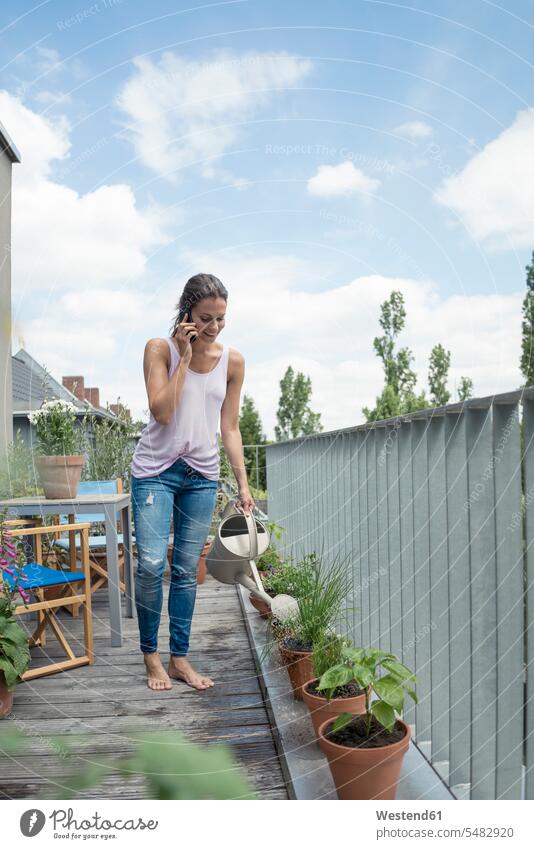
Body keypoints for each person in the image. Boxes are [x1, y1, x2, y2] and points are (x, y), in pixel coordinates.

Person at [130, 273, 255, 692]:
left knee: (185, 570)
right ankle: (151, 656)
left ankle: (179, 658)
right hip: (154, 473)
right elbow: (162, 412)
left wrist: (243, 484)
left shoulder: (233, 362)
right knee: (150, 566)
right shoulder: (159, 349)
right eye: (206, 318)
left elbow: (231, 427)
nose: (214, 327)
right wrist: (183, 356)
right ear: (187, 314)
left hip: (201, 475)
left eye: (221, 318)